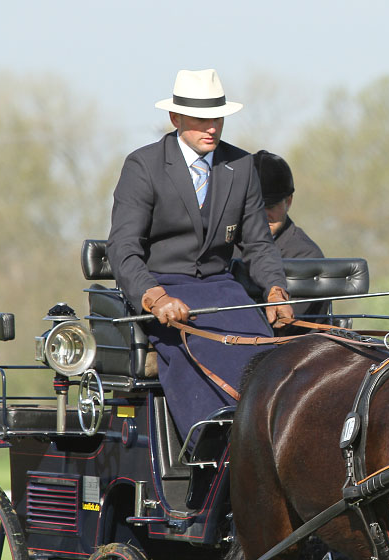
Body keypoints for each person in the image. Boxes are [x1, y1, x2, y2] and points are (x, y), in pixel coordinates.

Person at [107, 68, 293, 441]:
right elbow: (122, 248)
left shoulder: (240, 166)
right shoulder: (143, 166)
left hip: (223, 290)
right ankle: (210, 446)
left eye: (217, 118)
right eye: (200, 119)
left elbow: (258, 243)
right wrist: (154, 297)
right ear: (175, 118)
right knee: (200, 354)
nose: (211, 127)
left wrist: (275, 289)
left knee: (267, 355)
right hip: (165, 292)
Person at [252, 150, 324, 259]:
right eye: (254, 207)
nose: (262, 215)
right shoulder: (223, 243)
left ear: (288, 201)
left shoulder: (305, 256)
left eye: (270, 207)